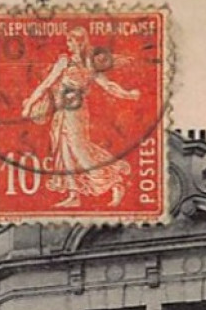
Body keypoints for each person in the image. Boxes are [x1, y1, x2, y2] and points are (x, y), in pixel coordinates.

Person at [20, 26, 142, 209]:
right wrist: (30, 103)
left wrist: (128, 94)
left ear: (79, 42)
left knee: (79, 151)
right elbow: (46, 84)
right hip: (61, 111)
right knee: (64, 151)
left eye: (71, 41)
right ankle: (73, 194)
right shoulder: (64, 62)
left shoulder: (90, 66)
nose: (68, 44)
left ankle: (114, 183)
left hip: (76, 111)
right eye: (68, 40)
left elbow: (108, 86)